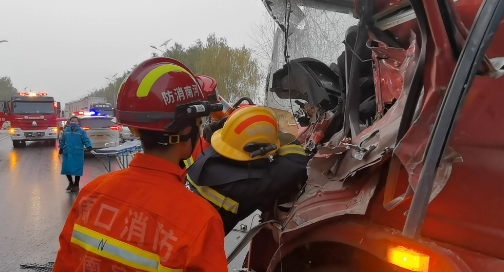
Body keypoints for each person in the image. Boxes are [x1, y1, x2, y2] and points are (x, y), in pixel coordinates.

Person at [52, 57, 228, 272]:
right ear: (185, 131)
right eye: (199, 123)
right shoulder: (201, 220)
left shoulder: (93, 192)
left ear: (135, 129)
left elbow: (65, 264)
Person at [186, 105, 309, 235]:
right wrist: (277, 133)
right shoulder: (249, 185)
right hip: (198, 243)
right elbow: (296, 161)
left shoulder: (215, 151)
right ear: (255, 150)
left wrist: (241, 123)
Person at [59, 116, 92, 192]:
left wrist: (89, 146)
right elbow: (63, 140)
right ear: (70, 122)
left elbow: (86, 140)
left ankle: (76, 185)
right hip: (68, 153)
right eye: (72, 121)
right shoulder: (66, 131)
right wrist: (61, 148)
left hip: (77, 153)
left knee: (77, 169)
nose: (73, 122)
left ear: (78, 123)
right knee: (66, 169)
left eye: (75, 121)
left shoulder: (81, 132)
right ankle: (71, 183)